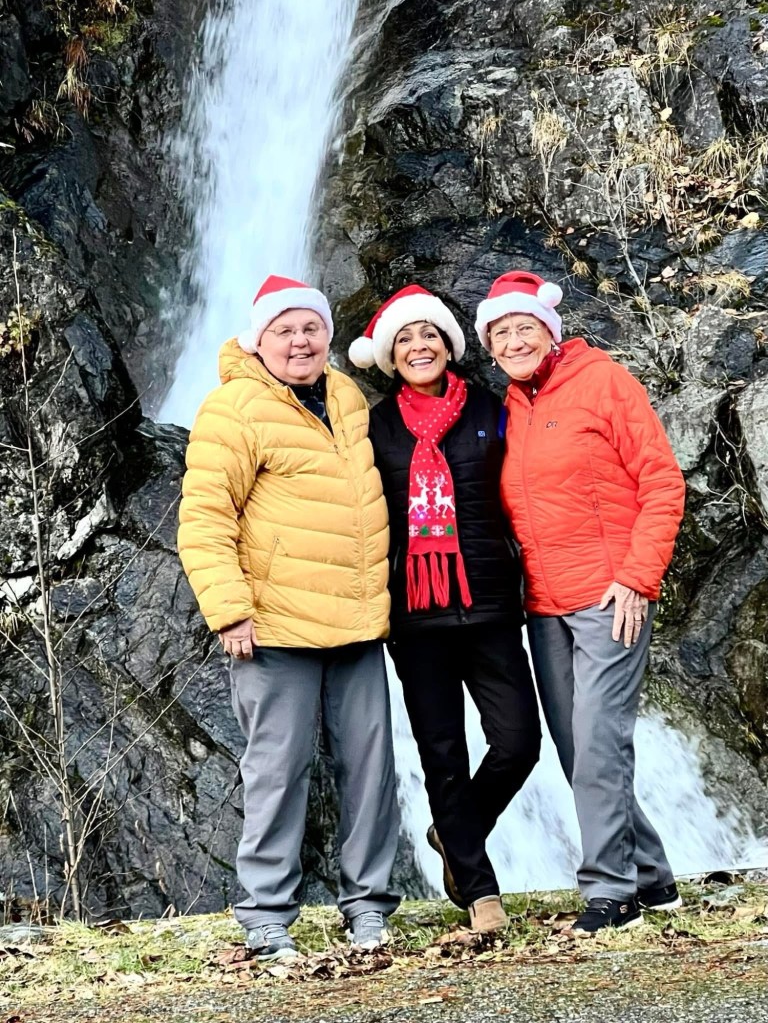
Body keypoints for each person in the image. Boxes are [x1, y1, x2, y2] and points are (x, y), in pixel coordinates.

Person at [178, 274, 400, 959]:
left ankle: (369, 907)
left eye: (311, 327)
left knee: (371, 770)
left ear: (328, 334)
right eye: (285, 330)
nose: (300, 341)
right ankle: (267, 914)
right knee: (277, 771)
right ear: (259, 340)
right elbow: (205, 518)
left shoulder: (347, 395)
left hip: (357, 622)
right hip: (274, 627)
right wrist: (229, 612)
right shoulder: (233, 408)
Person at [475, 270, 687, 934]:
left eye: (525, 328)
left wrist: (638, 577)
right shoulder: (510, 407)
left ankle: (611, 893)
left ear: (550, 331)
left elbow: (663, 482)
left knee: (598, 742)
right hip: (544, 605)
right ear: (489, 347)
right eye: (501, 334)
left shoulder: (603, 382)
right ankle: (652, 876)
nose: (514, 341)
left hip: (610, 597)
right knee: (579, 752)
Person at [349, 285, 541, 934]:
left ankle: (455, 832)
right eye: (404, 339)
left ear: (449, 344)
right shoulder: (375, 426)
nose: (418, 346)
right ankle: (481, 892)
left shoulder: (490, 408)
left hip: (490, 604)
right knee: (443, 753)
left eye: (428, 334)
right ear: (389, 355)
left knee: (518, 741)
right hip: (415, 616)